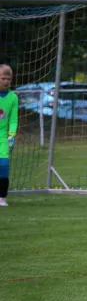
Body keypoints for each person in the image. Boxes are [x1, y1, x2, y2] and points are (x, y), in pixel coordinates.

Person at [0, 64, 18, 207]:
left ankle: (2, 197)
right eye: (3, 78)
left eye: (9, 79)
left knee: (4, 164)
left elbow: (13, 120)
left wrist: (11, 136)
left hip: (2, 136)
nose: (6, 81)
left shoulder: (13, 98)